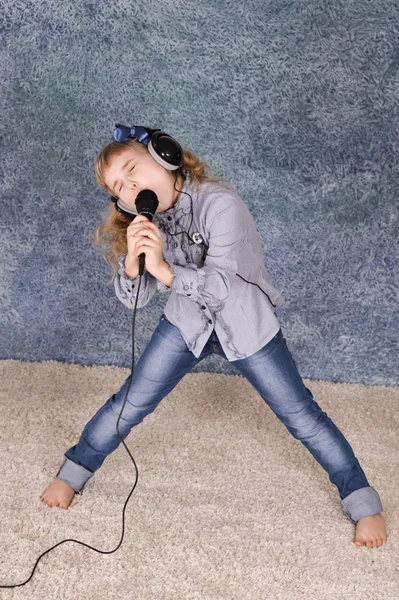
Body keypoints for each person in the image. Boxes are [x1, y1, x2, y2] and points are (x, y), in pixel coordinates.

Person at [41, 124, 387, 549]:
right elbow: (134, 301)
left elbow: (222, 286)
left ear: (166, 157)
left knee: (302, 416)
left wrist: (165, 270)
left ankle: (362, 501)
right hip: (187, 324)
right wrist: (133, 263)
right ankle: (74, 472)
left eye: (132, 170)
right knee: (129, 402)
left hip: (245, 324)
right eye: (118, 188)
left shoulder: (221, 205)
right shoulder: (147, 222)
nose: (129, 187)